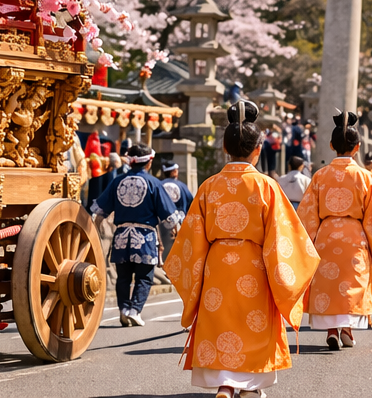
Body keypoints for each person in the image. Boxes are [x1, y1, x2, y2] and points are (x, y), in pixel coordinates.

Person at [165, 102, 319, 398]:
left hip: (216, 264)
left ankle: (224, 384)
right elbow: (284, 239)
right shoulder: (266, 186)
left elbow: (192, 238)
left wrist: (195, 273)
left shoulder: (210, 186)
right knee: (253, 325)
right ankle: (248, 387)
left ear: (225, 148)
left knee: (219, 321)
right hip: (254, 266)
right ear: (258, 150)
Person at [297, 112, 372, 350]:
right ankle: (348, 330)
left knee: (328, 282)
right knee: (351, 283)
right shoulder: (365, 176)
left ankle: (332, 329)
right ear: (357, 147)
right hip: (355, 235)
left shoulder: (320, 176)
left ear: (331, 146)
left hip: (326, 235)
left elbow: (307, 215)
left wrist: (307, 243)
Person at [91, 143, 182, 326]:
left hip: (121, 236)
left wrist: (95, 231)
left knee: (123, 277)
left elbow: (99, 211)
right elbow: (170, 218)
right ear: (148, 162)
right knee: (144, 276)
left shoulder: (117, 182)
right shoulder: (153, 183)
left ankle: (124, 309)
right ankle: (135, 310)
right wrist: (177, 231)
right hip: (145, 238)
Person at [157, 162, 194, 258]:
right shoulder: (182, 186)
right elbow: (191, 203)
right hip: (180, 223)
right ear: (174, 172)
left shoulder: (158, 186)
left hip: (161, 223)